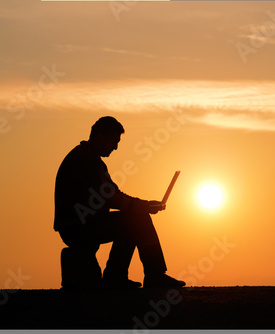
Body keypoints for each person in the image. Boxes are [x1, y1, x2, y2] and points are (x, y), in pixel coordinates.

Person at [54, 116, 185, 289]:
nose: (115, 147)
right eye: (114, 141)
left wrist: (142, 204)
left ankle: (116, 277)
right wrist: (141, 207)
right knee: (137, 220)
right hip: (77, 227)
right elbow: (110, 197)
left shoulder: (88, 158)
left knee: (132, 219)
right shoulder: (85, 160)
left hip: (77, 225)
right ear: (100, 137)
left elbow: (113, 194)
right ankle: (152, 275)